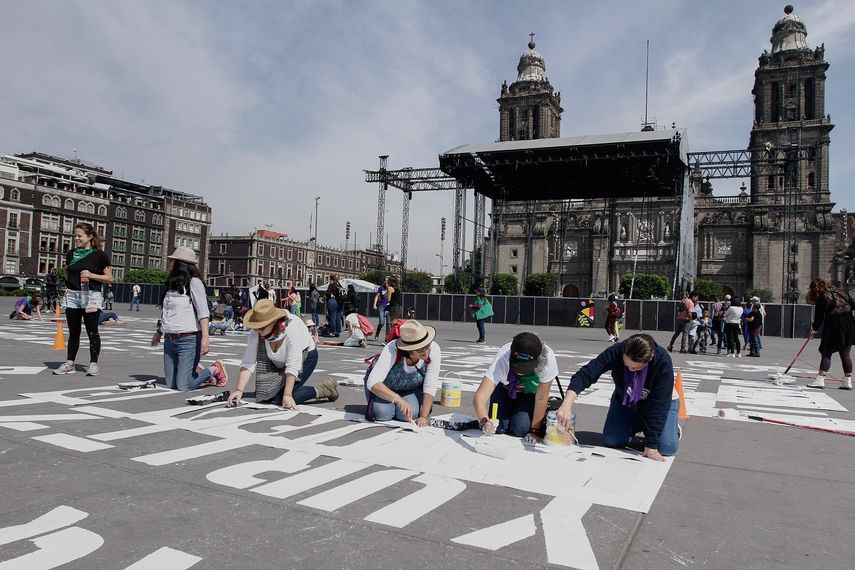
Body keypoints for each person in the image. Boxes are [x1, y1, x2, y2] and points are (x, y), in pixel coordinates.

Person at [557, 334, 680, 461]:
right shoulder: (616, 351)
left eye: (636, 368)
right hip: (627, 399)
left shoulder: (662, 361)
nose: (630, 370)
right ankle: (638, 424)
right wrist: (566, 404)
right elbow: (585, 374)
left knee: (667, 447)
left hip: (661, 403)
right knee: (613, 440)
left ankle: (667, 427)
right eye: (626, 365)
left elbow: (659, 405)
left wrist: (651, 445)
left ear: (649, 359)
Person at [227, 299, 338, 408]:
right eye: (256, 327)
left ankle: (325, 389)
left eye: (262, 327)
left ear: (274, 321)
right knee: (263, 394)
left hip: (306, 357)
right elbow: (248, 362)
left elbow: (293, 364)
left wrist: (287, 395)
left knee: (281, 398)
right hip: (277, 362)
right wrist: (239, 390)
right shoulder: (256, 333)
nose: (258, 331)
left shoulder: (291, 328)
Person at [150, 247, 227, 391]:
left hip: (188, 339)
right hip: (170, 339)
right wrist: (159, 332)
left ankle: (215, 369)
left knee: (183, 386)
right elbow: (167, 312)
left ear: (180, 264)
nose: (168, 261)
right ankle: (194, 370)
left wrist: (205, 338)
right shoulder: (171, 284)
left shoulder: (194, 283)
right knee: (171, 384)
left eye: (172, 260)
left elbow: (203, 312)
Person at [53, 223, 112, 376]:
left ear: (90, 237)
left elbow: (109, 278)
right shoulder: (72, 253)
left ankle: (93, 364)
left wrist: (92, 275)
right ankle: (69, 363)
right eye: (75, 236)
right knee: (74, 331)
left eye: (80, 236)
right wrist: (67, 274)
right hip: (72, 294)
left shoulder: (100, 255)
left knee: (92, 331)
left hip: (91, 295)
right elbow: (67, 273)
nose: (76, 238)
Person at [473, 332, 556, 438]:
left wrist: (534, 431)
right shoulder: (503, 357)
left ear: (538, 359)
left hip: (529, 392)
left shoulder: (548, 359)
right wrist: (484, 421)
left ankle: (521, 412)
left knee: (521, 429)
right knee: (498, 427)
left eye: (526, 368)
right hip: (504, 388)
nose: (520, 372)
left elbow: (541, 399)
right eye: (517, 367)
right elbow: (479, 397)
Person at [364, 320, 441, 426]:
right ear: (409, 351)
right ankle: (390, 404)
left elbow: (430, 385)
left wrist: (423, 417)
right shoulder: (392, 349)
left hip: (409, 389)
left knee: (409, 414)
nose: (426, 351)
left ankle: (400, 405)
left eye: (427, 346)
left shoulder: (434, 349)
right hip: (384, 388)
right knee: (382, 413)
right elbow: (373, 382)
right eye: (420, 349)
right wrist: (399, 400)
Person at [806, 278, 854, 390]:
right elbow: (853, 305)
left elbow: (819, 318)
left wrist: (814, 329)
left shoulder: (823, 297)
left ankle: (820, 380)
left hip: (834, 326)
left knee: (826, 352)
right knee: (845, 354)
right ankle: (847, 381)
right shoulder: (842, 292)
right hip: (849, 325)